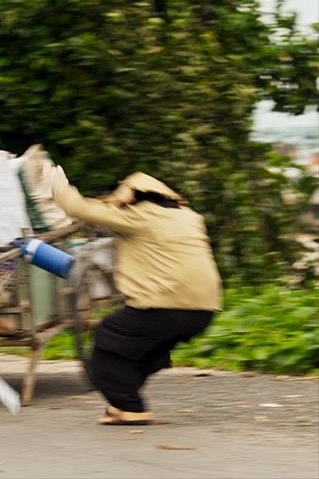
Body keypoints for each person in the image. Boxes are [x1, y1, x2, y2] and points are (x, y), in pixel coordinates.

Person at [45, 166, 222, 425]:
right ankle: (120, 403)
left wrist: (57, 183)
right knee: (138, 350)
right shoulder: (188, 217)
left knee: (107, 336)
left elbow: (79, 208)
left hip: (164, 306)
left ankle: (131, 407)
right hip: (203, 310)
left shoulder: (141, 217)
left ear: (134, 198)